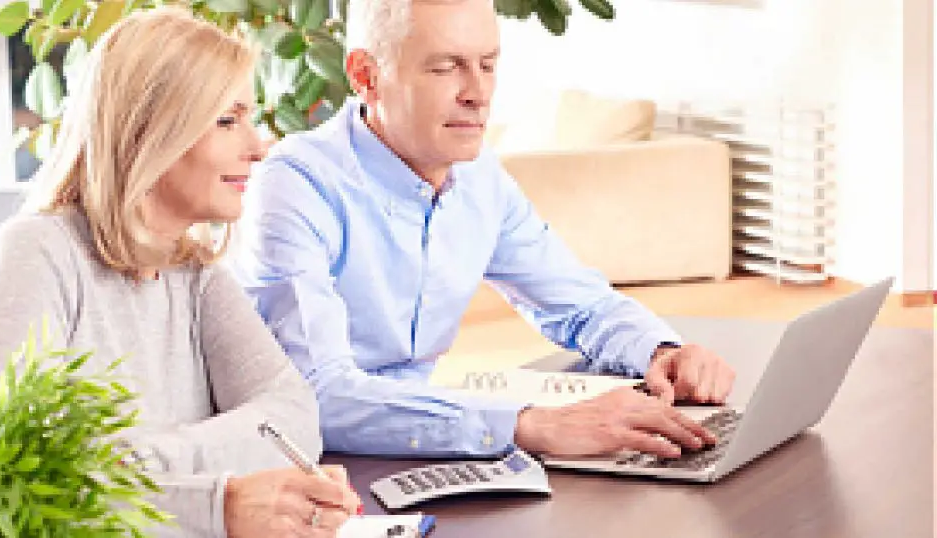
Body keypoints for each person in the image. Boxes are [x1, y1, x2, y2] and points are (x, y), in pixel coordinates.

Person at [228, 0, 736, 460]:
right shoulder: (297, 185)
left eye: (488, 65)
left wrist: (660, 352)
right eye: (446, 67)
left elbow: (581, 305)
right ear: (365, 75)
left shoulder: (476, 176)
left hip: (428, 441)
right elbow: (318, 395)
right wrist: (526, 425)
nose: (478, 94)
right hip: (303, 462)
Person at [0, 8, 359, 538]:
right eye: (227, 121)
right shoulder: (33, 255)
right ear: (153, 131)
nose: (258, 146)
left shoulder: (194, 272)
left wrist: (133, 462)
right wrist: (217, 503)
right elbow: (9, 484)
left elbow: (294, 416)